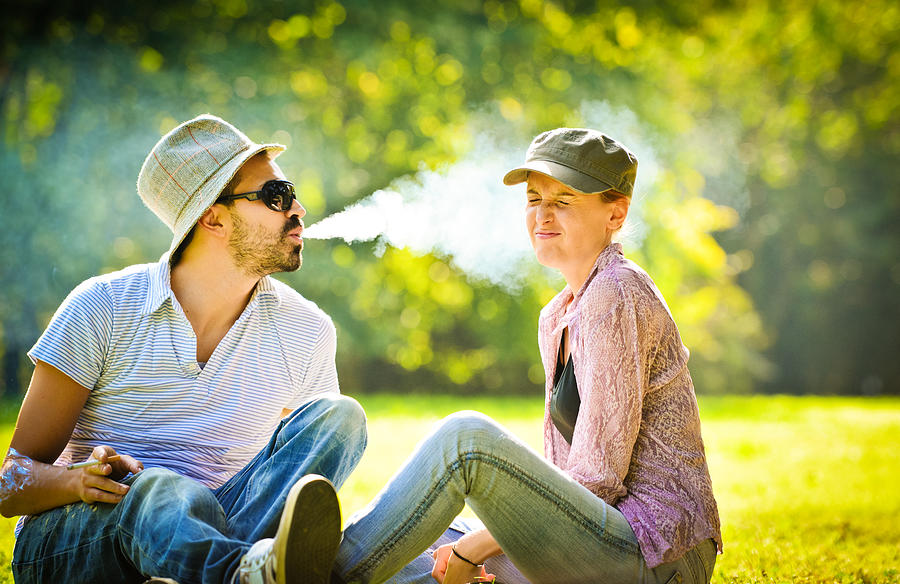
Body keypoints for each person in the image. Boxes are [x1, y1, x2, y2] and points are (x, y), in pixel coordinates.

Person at [332, 128, 722, 584]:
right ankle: (319, 569)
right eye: (534, 198)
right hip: (595, 547)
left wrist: (476, 546)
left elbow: (596, 478)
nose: (543, 214)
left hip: (656, 556)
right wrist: (473, 545)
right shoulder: (557, 315)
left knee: (464, 440)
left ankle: (315, 575)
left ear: (615, 213)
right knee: (416, 550)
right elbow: (562, 476)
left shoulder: (617, 293)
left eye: (564, 199)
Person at [0, 114, 368, 584]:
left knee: (340, 418)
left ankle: (223, 569)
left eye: (291, 194)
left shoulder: (307, 330)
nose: (298, 209)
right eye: (277, 196)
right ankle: (236, 575)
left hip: (216, 524)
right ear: (213, 217)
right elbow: (10, 485)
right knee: (157, 489)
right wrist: (80, 480)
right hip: (81, 539)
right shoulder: (103, 307)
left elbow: (278, 486)